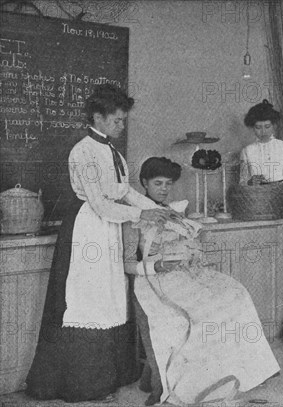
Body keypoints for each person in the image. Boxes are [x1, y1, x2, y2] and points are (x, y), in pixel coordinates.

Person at [26, 85, 174, 403]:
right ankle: (83, 385)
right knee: (88, 300)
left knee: (110, 299)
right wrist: (143, 213)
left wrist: (160, 211)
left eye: (123, 121)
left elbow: (123, 192)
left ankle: (108, 380)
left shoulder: (114, 153)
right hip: (87, 231)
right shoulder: (83, 151)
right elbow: (100, 205)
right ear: (98, 117)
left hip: (109, 230)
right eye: (117, 121)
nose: (122, 126)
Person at [124, 156, 281, 405]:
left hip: (184, 275)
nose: (164, 189)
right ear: (144, 182)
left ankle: (247, 370)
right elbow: (128, 264)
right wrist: (159, 265)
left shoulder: (174, 211)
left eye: (168, 184)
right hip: (155, 281)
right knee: (202, 314)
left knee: (235, 295)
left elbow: (191, 240)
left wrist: (192, 245)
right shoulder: (133, 217)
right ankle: (186, 385)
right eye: (158, 183)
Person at [239, 99, 283, 268]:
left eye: (267, 126)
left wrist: (280, 189)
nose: (263, 131)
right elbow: (242, 183)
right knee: (266, 252)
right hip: (259, 204)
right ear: (252, 127)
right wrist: (251, 182)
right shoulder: (247, 151)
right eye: (258, 127)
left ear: (274, 126)